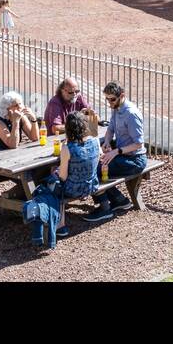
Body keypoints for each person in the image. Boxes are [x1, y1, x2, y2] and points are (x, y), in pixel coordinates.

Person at [86, 82, 147, 222]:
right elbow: (110, 129)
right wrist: (107, 142)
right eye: (107, 99)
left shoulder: (131, 114)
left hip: (135, 160)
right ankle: (119, 200)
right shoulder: (116, 108)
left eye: (112, 99)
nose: (109, 102)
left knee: (95, 170)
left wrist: (116, 152)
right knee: (96, 164)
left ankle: (104, 208)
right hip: (123, 155)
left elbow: (138, 144)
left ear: (122, 96)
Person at [47, 111, 100, 239]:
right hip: (92, 185)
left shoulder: (67, 148)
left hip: (74, 189)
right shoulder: (95, 141)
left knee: (52, 183)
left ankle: (60, 225)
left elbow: (63, 177)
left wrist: (55, 171)